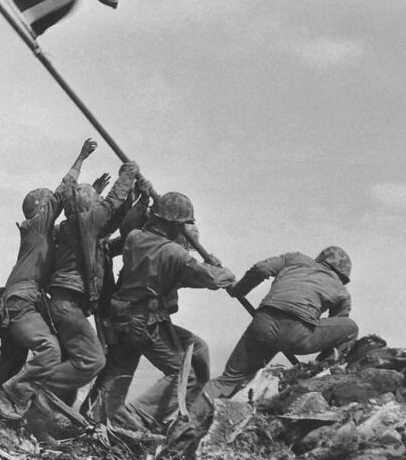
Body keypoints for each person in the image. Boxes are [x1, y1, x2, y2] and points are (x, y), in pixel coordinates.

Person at [91, 192, 236, 430]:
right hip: (144, 322)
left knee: (194, 350)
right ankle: (139, 416)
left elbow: (167, 273)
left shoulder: (135, 238)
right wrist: (223, 270)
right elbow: (211, 279)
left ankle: (98, 416)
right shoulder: (174, 253)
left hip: (122, 318)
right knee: (185, 374)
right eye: (181, 225)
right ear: (174, 224)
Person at [0, 139, 98, 418]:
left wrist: (93, 195)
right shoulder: (36, 226)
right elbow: (62, 194)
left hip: (15, 303)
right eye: (49, 207)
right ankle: (10, 400)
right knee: (50, 350)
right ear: (41, 209)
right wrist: (81, 158)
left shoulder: (41, 235)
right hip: (22, 302)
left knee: (10, 364)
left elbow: (75, 217)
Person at [39, 160, 142, 405]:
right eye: (96, 202)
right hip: (67, 305)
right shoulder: (84, 222)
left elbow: (114, 220)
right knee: (93, 361)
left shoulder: (77, 228)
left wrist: (136, 199)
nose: (100, 205)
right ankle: (31, 387)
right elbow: (112, 204)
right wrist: (127, 175)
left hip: (66, 304)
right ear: (88, 206)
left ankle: (47, 410)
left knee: (75, 363)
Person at [199, 246, 358, 403]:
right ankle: (319, 375)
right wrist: (319, 365)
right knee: (350, 328)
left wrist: (238, 290)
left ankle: (185, 417)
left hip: (263, 325)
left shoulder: (295, 259)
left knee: (227, 381)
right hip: (298, 335)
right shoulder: (342, 291)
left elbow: (261, 268)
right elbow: (335, 333)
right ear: (342, 275)